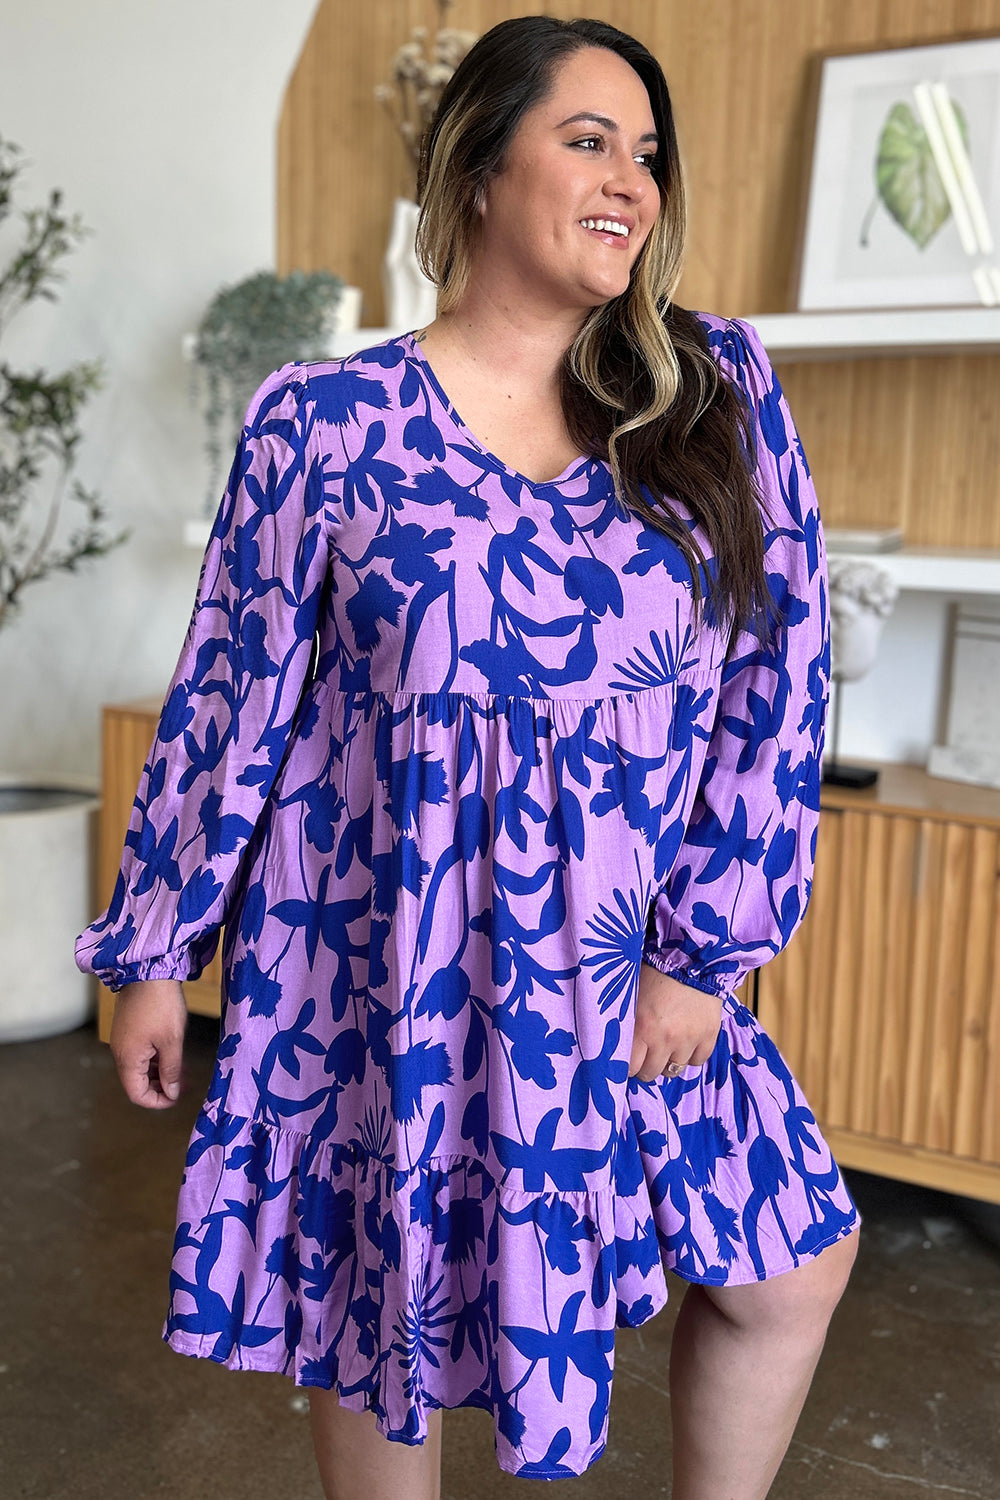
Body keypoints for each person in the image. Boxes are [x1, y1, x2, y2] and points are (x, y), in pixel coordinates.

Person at [75, 15, 860, 1500]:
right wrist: (153, 952)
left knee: (791, 1263)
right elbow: (232, 695)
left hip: (633, 967)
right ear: (481, 168)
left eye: (647, 151)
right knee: (392, 1309)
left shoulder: (712, 392)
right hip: (397, 961)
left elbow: (782, 676)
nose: (631, 176)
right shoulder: (325, 425)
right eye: (587, 139)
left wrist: (707, 948)